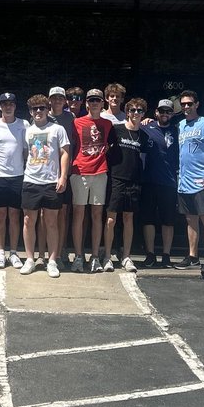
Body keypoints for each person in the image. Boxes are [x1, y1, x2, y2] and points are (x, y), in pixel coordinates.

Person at [20, 96, 70, 278]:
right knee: (28, 221)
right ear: (30, 112)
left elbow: (65, 153)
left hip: (51, 182)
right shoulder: (26, 130)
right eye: (35, 109)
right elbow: (25, 153)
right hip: (31, 180)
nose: (38, 111)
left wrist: (63, 176)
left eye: (42, 108)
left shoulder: (58, 129)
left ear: (48, 109)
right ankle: (30, 259)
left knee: (51, 223)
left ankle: (52, 261)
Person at [103, 97, 152, 272]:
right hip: (116, 178)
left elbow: (144, 160)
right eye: (132, 110)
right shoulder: (116, 130)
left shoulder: (144, 136)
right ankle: (107, 256)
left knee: (128, 218)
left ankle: (126, 256)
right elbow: (105, 151)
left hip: (134, 180)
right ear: (127, 111)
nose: (135, 114)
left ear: (143, 114)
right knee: (111, 219)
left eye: (139, 111)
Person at [177, 90, 204, 277]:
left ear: (197, 104)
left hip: (202, 180)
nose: (186, 107)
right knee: (190, 219)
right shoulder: (179, 125)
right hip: (184, 180)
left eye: (189, 103)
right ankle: (192, 255)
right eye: (183, 104)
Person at [70, 89, 112, 271]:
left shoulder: (108, 123)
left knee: (97, 215)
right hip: (80, 171)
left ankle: (95, 256)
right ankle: (79, 256)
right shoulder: (76, 122)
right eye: (91, 100)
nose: (94, 103)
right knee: (78, 214)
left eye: (97, 100)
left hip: (100, 172)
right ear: (86, 103)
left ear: (103, 103)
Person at [0, 92, 28, 269]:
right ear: (0, 107)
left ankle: (13, 253)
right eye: (4, 104)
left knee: (14, 215)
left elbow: (26, 151)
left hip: (18, 176)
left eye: (11, 103)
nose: (8, 107)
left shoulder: (24, 124)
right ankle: (1, 253)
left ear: (15, 106)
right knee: (0, 216)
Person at [140, 99, 179, 269]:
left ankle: (166, 255)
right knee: (148, 218)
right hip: (148, 180)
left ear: (172, 113)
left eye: (168, 111)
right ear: (155, 112)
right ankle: (150, 254)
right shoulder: (146, 128)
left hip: (169, 181)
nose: (164, 114)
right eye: (161, 111)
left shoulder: (178, 130)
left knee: (168, 220)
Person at [48, 86, 77, 267]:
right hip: (46, 172)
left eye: (61, 98)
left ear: (64, 100)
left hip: (65, 172)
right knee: (47, 215)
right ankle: (47, 252)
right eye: (54, 98)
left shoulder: (71, 118)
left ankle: (62, 250)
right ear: (49, 99)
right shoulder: (41, 115)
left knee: (63, 214)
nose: (57, 100)